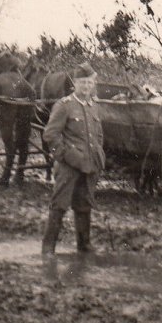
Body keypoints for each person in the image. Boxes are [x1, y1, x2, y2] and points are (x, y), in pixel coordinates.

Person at [41, 62, 106, 254]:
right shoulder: (64, 106)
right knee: (59, 205)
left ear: (93, 84)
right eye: (82, 82)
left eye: (89, 82)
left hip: (88, 165)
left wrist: (98, 154)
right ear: (75, 83)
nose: (86, 86)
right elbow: (50, 135)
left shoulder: (94, 106)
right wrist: (66, 155)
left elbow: (98, 134)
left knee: (84, 204)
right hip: (68, 167)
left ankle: (84, 246)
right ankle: (48, 249)